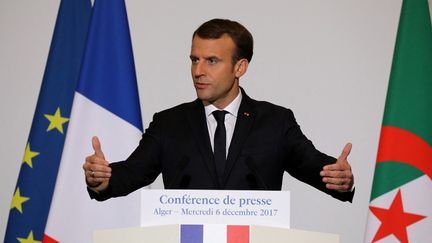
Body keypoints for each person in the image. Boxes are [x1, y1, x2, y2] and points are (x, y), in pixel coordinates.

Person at [83, 18, 354, 202]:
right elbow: (132, 172)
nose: (198, 71)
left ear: (240, 67)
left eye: (212, 61)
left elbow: (316, 167)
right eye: (194, 60)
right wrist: (101, 179)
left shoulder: (275, 122)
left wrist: (341, 179)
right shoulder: (169, 123)